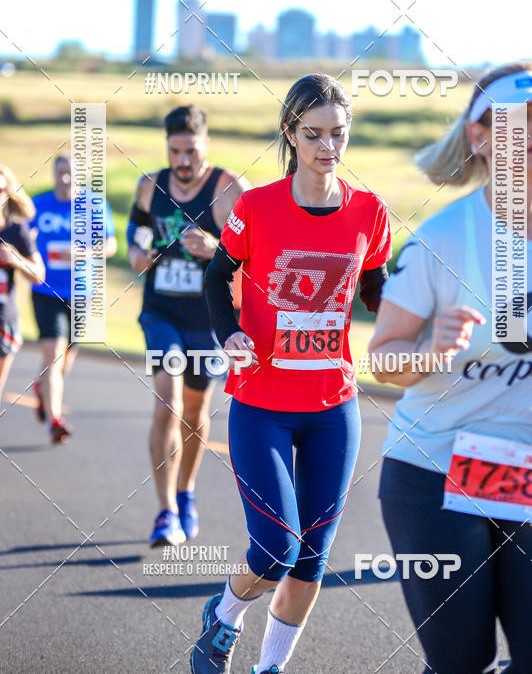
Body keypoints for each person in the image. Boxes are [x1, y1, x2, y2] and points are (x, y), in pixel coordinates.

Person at [369, 60, 532, 674]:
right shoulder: (440, 238)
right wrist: (431, 352)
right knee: (461, 662)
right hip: (434, 470)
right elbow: (382, 357)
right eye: (519, 118)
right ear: (480, 137)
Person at [190, 74, 392, 674]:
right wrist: (228, 333)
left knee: (311, 559)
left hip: (334, 406)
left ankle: (269, 668)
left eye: (339, 133)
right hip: (262, 403)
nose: (328, 146)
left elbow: (376, 289)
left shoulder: (369, 211)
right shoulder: (257, 207)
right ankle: (224, 616)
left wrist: (415, 312)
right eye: (313, 134)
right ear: (290, 133)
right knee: (277, 548)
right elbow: (216, 277)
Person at [128, 105, 249, 548]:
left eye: (191, 151)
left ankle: (185, 492)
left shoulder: (230, 189)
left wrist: (217, 249)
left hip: (210, 317)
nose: (182, 161)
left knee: (195, 414)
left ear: (206, 145)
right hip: (161, 312)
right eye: (175, 151)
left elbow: (257, 259)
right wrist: (137, 256)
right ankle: (165, 513)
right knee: (168, 402)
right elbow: (136, 235)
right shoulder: (150, 184)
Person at [30, 154, 117, 443]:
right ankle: (55, 421)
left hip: (82, 292)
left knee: (66, 358)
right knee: (54, 355)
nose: (65, 178)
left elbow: (110, 244)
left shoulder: (94, 205)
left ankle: (43, 387)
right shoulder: (39, 205)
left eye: (71, 173)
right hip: (45, 290)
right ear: (53, 173)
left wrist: (87, 253)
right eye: (60, 172)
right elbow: (22, 237)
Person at [0, 166, 45, 404]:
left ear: (8, 194)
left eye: (0, 190)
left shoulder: (16, 230)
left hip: (4, 319)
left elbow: (39, 274)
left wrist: (17, 259)